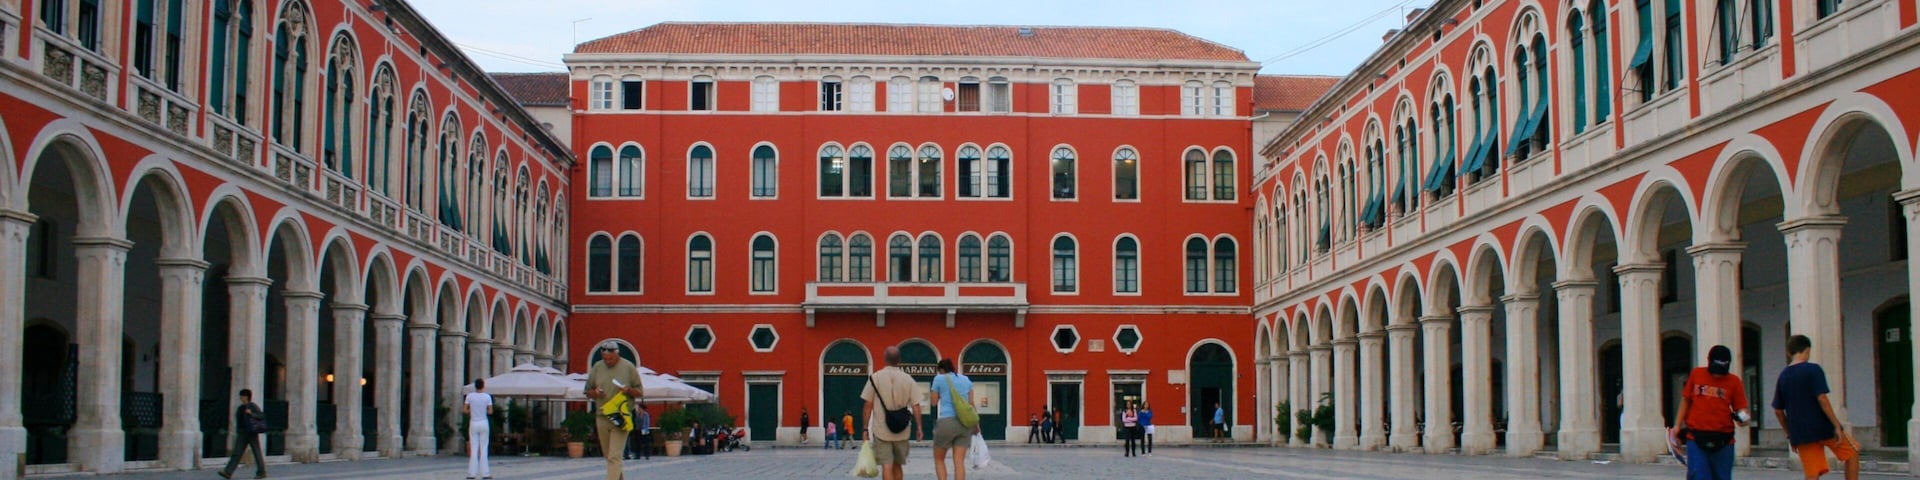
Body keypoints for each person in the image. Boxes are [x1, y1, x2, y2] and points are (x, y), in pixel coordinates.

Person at [1774, 335, 1860, 480]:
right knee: (1852, 453)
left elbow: (1778, 410)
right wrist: (1836, 425)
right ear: (1807, 350)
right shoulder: (1813, 369)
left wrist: (1790, 434)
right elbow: (1822, 398)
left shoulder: (1783, 376)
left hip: (1801, 432)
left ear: (1789, 352)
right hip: (1823, 427)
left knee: (1812, 473)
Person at [1672, 345, 1750, 480]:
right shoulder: (1697, 374)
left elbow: (1742, 410)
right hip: (1696, 437)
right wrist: (1677, 425)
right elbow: (1686, 400)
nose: (1717, 375)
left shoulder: (1734, 382)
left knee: (1722, 476)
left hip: (1724, 440)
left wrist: (1743, 418)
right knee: (1698, 475)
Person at [584, 342, 644, 480]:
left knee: (614, 456)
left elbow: (640, 391)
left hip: (621, 416)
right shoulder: (597, 367)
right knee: (608, 456)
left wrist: (628, 390)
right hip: (601, 416)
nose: (607, 361)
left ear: (617, 354)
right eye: (605, 358)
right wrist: (595, 392)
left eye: (610, 359)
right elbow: (587, 391)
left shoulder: (629, 367)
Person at [862, 346, 922, 480]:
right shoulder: (908, 379)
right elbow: (916, 405)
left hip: (881, 430)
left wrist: (865, 428)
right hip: (902, 430)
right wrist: (919, 427)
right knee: (898, 465)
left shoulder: (875, 378)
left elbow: (868, 404)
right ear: (899, 360)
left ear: (885, 359)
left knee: (886, 465)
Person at [929, 358, 974, 480]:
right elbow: (971, 404)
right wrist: (976, 426)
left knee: (939, 459)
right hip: (964, 423)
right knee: (959, 461)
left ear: (941, 369)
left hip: (946, 421)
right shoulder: (966, 380)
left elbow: (933, 402)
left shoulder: (939, 379)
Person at [217, 389, 266, 479]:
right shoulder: (240, 408)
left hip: (251, 432)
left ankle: (261, 472)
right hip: (242, 432)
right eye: (241, 396)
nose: (241, 397)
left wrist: (251, 413)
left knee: (256, 452)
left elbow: (261, 416)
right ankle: (228, 472)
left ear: (246, 397)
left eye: (242, 396)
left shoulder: (252, 406)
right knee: (237, 452)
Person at [461, 379, 495, 479]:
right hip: (484, 422)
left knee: (474, 447)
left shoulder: (470, 396)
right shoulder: (487, 396)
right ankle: (485, 473)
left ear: (475, 386)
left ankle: (471, 473)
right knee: (484, 448)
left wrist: (472, 410)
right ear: (483, 386)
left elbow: (464, 410)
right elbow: (490, 412)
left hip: (474, 422)